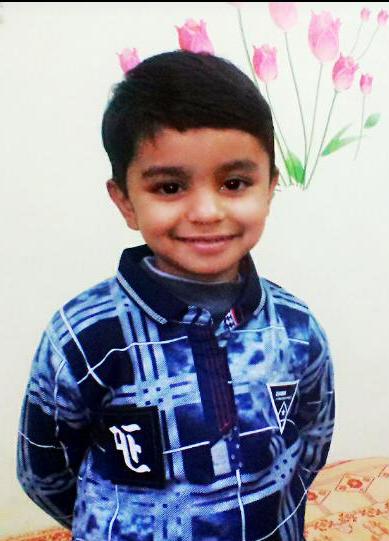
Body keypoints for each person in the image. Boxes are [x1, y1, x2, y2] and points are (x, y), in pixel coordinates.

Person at [17, 50, 335, 541]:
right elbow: (45, 472)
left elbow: (311, 443)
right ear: (125, 201)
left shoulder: (296, 327)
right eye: (169, 187)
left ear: (270, 187)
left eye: (234, 183)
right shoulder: (84, 336)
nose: (206, 211)